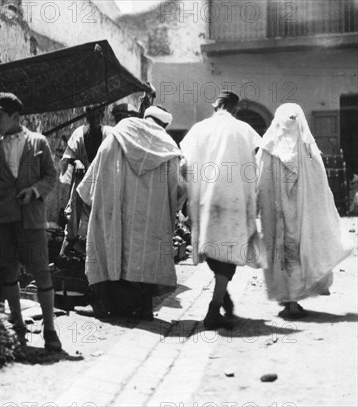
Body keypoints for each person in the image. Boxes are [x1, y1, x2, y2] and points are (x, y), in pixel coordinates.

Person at [76, 105, 185, 320]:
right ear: (164, 125)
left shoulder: (115, 138)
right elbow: (179, 190)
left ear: (145, 117)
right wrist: (172, 209)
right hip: (150, 221)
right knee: (144, 259)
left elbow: (90, 182)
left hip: (113, 212)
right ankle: (144, 308)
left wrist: (96, 204)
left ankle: (104, 303)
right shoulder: (170, 150)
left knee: (109, 252)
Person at [0, 92, 61, 351]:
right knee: (7, 271)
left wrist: (35, 191)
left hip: (31, 219)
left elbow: (51, 176)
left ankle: (50, 330)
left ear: (15, 117)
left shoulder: (38, 142)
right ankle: (17, 326)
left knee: (41, 270)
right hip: (1, 218)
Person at [257, 103, 354, 318]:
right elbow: (321, 188)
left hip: (280, 217)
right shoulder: (309, 150)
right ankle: (292, 300)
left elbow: (260, 183)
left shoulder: (268, 149)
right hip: (299, 218)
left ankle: (289, 300)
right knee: (295, 254)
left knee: (284, 255)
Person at [180, 90, 265, 330]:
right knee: (228, 256)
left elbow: (184, 166)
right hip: (234, 201)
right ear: (235, 108)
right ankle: (213, 309)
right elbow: (255, 165)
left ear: (216, 106)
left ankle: (222, 296)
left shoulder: (198, 129)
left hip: (207, 200)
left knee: (214, 251)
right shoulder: (243, 130)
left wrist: (192, 194)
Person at [58, 106, 111, 259]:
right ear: (86, 116)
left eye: (97, 116)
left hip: (100, 185)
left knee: (98, 220)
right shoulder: (79, 133)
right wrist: (77, 162)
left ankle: (94, 258)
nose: (94, 119)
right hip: (81, 184)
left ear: (102, 116)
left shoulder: (109, 134)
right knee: (73, 218)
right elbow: (68, 156)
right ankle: (65, 255)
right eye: (90, 116)